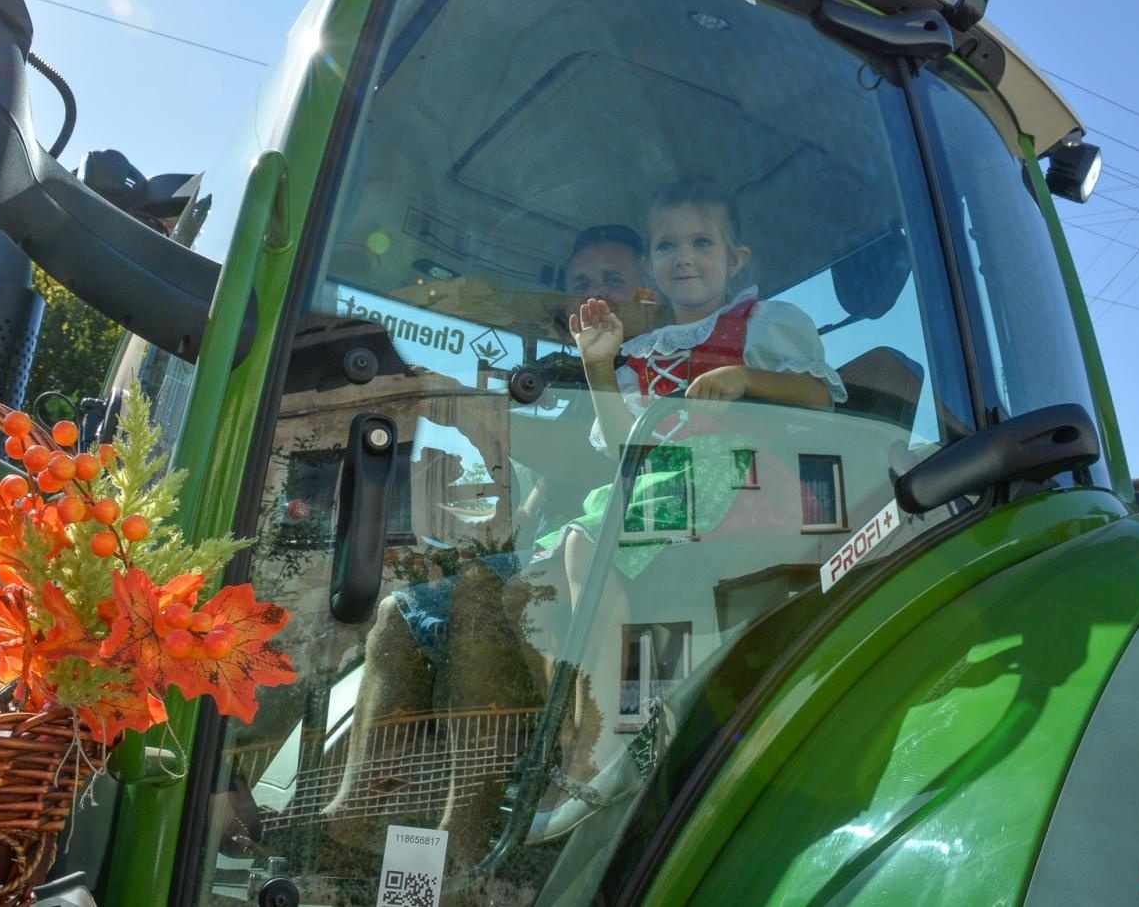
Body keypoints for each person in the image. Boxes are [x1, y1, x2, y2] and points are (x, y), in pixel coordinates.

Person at [319, 224, 654, 855]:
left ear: (647, 295)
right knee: (396, 612)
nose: (595, 293)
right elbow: (537, 494)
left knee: (479, 591)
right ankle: (357, 810)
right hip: (543, 547)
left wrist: (475, 408)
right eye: (582, 282)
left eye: (613, 279)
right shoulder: (561, 374)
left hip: (613, 553)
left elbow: (599, 459)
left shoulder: (644, 375)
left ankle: (464, 835)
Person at [535, 174, 847, 592]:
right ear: (649, 267)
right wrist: (599, 367)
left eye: (701, 242)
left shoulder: (761, 323)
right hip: (666, 496)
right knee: (540, 586)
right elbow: (628, 454)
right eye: (667, 246)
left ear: (734, 260)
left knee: (582, 548)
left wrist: (743, 377)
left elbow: (818, 396)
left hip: (743, 493)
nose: (683, 258)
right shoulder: (643, 355)